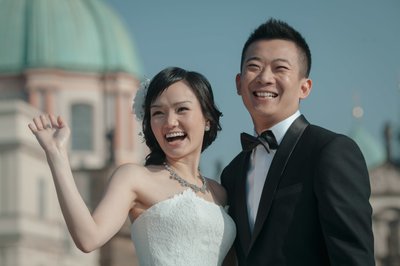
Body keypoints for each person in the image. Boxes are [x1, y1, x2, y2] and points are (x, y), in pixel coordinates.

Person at [28, 66, 236, 266]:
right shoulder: (134, 177)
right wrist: (57, 154)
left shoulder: (220, 192)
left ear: (207, 119)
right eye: (158, 113)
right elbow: (88, 238)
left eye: (182, 109)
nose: (170, 121)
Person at [221, 18, 375, 265]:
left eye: (280, 68)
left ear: (305, 87)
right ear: (239, 83)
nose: (265, 78)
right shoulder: (231, 173)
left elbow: (353, 259)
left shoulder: (330, 151)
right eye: (254, 66)